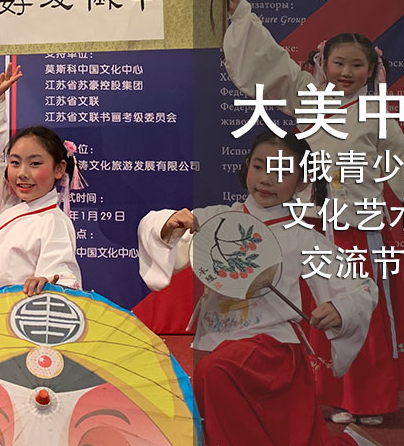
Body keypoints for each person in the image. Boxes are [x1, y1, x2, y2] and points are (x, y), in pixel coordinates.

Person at [222, 0, 404, 424]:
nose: (346, 72)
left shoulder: (378, 116)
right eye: (339, 63)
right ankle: (326, 394)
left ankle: (369, 400)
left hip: (360, 230)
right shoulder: (307, 97)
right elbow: (269, 62)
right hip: (314, 226)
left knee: (359, 309)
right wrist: (242, 14)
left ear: (372, 70)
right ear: (322, 64)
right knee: (316, 310)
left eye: (357, 65)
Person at [139, 130, 379, 445]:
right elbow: (154, 228)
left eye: (281, 172)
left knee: (219, 378)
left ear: (302, 182)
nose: (266, 179)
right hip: (213, 342)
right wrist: (167, 224)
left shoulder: (301, 236)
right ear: (246, 166)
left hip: (271, 351)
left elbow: (361, 288)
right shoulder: (215, 219)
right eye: (259, 166)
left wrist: (340, 308)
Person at [0, 61, 83, 296]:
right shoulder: (7, 206)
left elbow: (63, 273)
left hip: (24, 313)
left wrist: (48, 281)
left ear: (59, 169)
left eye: (35, 164)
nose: (22, 173)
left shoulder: (53, 221)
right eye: (15, 163)